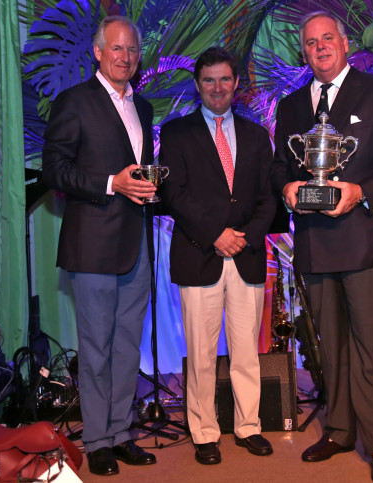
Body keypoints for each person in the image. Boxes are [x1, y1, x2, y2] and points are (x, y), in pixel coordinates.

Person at [272, 11, 373, 483]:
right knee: (329, 347)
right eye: (311, 42)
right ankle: (338, 430)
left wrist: (361, 192)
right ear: (304, 51)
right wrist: (288, 188)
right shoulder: (292, 106)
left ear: (346, 42)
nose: (319, 47)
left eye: (327, 38)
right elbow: (279, 167)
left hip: (367, 241)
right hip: (315, 245)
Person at [42, 16, 158, 476]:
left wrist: (148, 187)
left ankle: (121, 432)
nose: (125, 57)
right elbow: (54, 170)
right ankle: (97, 441)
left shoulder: (143, 108)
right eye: (117, 49)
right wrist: (112, 183)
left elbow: (140, 171)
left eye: (132, 50)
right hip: (92, 245)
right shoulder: (74, 102)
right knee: (95, 348)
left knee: (128, 347)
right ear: (97, 52)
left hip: (136, 243)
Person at [160, 47, 276, 465]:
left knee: (247, 351)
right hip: (199, 255)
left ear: (235, 84)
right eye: (209, 80)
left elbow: (268, 198)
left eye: (225, 79)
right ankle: (204, 432)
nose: (217, 88)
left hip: (246, 256)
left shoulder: (257, 135)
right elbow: (175, 194)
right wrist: (216, 235)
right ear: (198, 85)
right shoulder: (175, 134)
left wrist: (243, 238)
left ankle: (249, 427)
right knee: (202, 353)